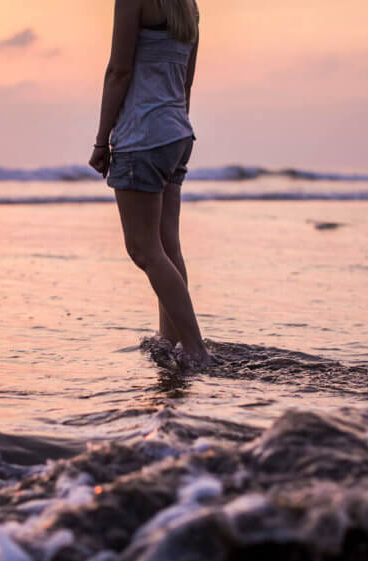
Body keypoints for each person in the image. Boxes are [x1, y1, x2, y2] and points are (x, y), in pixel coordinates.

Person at [89, 0, 213, 368]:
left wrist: (101, 139)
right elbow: (186, 82)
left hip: (141, 134)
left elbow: (119, 71)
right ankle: (169, 339)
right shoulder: (188, 5)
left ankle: (194, 348)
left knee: (143, 250)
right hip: (176, 132)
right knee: (167, 247)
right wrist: (173, 128)